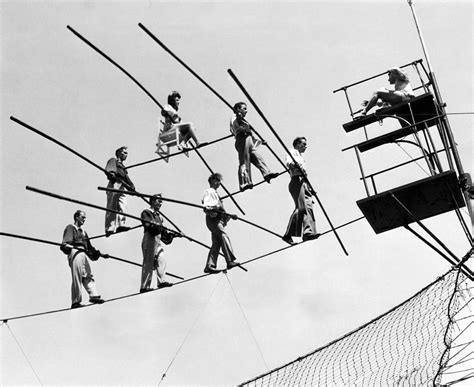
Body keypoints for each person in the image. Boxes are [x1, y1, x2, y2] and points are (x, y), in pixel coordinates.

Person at [61, 210, 106, 309]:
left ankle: (94, 295)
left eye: (85, 217)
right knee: (77, 276)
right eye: (83, 217)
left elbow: (89, 248)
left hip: (83, 253)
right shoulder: (71, 228)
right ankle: (76, 301)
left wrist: (100, 254)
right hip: (75, 251)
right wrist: (67, 246)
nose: (84, 219)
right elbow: (65, 243)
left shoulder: (83, 232)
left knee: (87, 274)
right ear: (77, 217)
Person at [230, 102, 279, 191]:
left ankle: (266, 173)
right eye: (244, 108)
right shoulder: (235, 116)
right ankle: (244, 182)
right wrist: (238, 116)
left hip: (248, 139)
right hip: (242, 139)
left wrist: (260, 142)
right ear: (238, 109)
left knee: (258, 158)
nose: (246, 111)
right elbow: (235, 124)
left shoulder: (243, 120)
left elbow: (250, 135)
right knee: (244, 161)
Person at [282, 137, 320, 245]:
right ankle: (288, 235)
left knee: (308, 208)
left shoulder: (301, 157)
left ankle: (308, 233)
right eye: (303, 144)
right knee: (301, 208)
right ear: (297, 144)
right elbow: (290, 163)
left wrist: (310, 189)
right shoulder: (292, 152)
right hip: (296, 181)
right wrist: (297, 166)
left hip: (304, 183)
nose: (305, 146)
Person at [202, 173, 240, 273]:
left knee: (217, 243)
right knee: (223, 236)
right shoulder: (210, 191)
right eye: (218, 180)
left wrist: (230, 216)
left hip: (216, 219)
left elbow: (219, 210)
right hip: (214, 219)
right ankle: (230, 260)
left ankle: (210, 265)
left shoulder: (215, 194)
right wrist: (211, 210)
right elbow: (208, 205)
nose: (219, 183)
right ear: (213, 180)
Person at [140, 194, 174, 293]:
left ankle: (161, 281)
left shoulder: (158, 216)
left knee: (161, 258)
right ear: (152, 201)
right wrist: (158, 226)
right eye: (159, 201)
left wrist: (172, 234)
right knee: (149, 262)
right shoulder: (146, 212)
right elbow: (149, 226)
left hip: (157, 240)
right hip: (149, 238)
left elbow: (163, 234)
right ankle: (144, 286)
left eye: (161, 202)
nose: (161, 203)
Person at [104, 146, 135, 236]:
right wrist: (112, 174)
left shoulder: (123, 168)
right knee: (112, 206)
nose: (126, 155)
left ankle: (121, 225)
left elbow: (127, 179)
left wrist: (132, 188)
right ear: (118, 153)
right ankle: (109, 228)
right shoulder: (114, 160)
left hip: (122, 186)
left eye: (127, 153)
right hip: (114, 184)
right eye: (124, 153)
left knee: (122, 205)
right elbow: (110, 170)